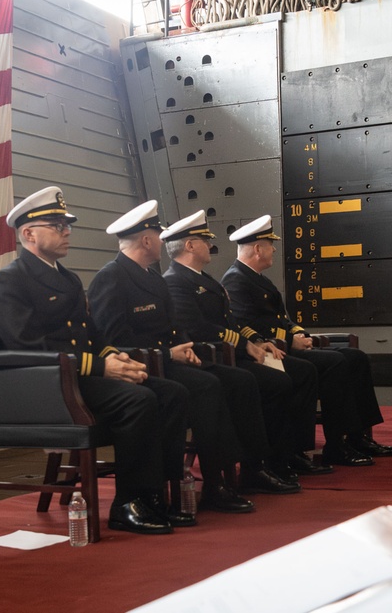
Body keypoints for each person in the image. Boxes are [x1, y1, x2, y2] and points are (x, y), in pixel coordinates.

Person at [0, 187, 192, 534]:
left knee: (171, 393)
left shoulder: (67, 278)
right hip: (48, 386)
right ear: (28, 234)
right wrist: (99, 366)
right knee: (139, 401)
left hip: (78, 378)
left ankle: (156, 493)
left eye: (67, 225)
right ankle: (127, 504)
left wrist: (115, 357)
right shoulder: (9, 281)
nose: (67, 232)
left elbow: (92, 334)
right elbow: (28, 347)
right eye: (57, 225)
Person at [87, 201, 277, 509]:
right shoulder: (112, 277)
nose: (161, 243)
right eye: (156, 236)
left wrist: (186, 348)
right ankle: (207, 485)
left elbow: (174, 327)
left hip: (167, 361)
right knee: (205, 386)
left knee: (237, 380)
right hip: (143, 364)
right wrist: (166, 353)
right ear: (146, 240)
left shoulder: (151, 277)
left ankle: (245, 470)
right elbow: (113, 338)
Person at [162, 210, 326, 494]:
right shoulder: (175, 280)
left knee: (287, 376)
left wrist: (256, 341)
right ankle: (257, 465)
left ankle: (279, 457)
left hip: (230, 353)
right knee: (269, 381)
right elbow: (198, 327)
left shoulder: (206, 279)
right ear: (189, 246)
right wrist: (243, 344)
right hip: (212, 356)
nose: (210, 245)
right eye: (204, 240)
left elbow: (233, 321)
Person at [221, 215, 392, 466]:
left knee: (355, 358)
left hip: (286, 345)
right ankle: (336, 445)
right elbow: (248, 326)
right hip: (274, 352)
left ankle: (357, 436)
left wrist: (299, 333)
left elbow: (283, 318)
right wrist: (290, 340)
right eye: (270, 244)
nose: (274, 249)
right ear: (257, 248)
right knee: (335, 362)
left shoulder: (258, 278)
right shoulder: (235, 278)